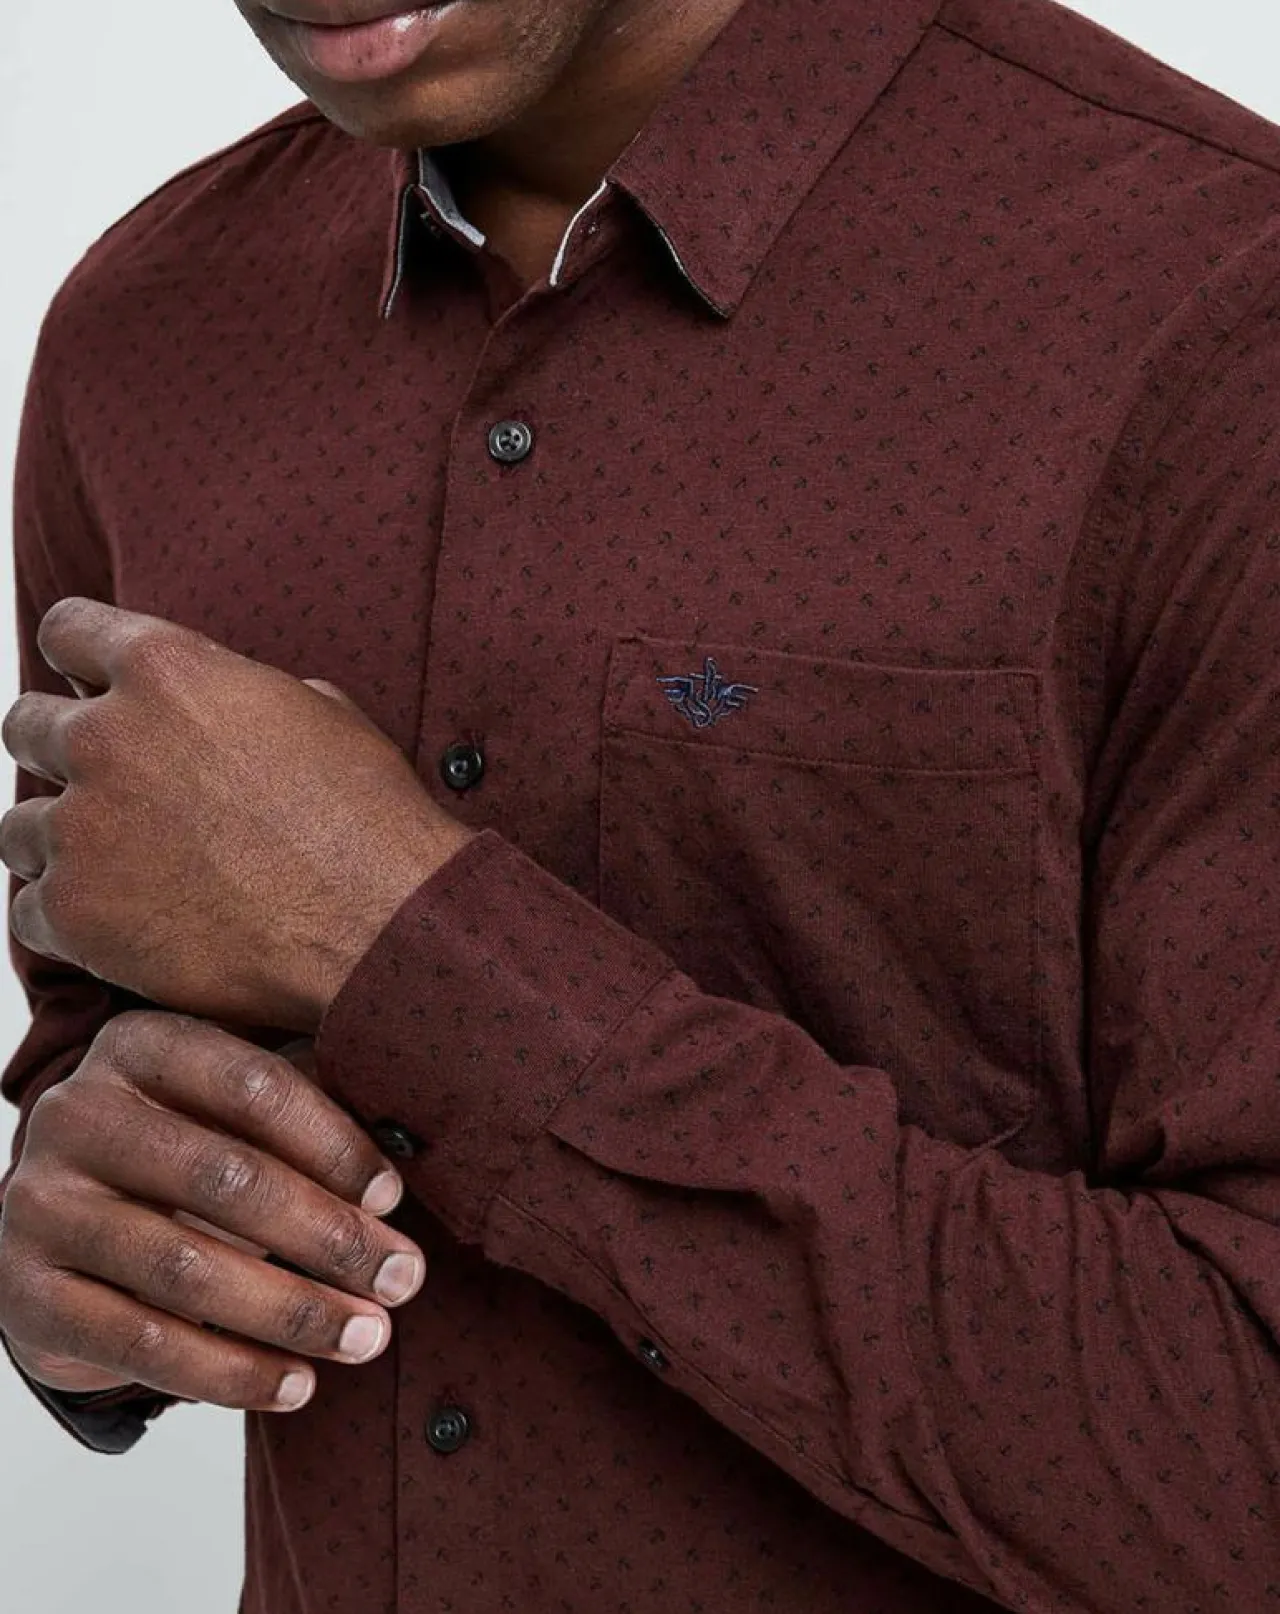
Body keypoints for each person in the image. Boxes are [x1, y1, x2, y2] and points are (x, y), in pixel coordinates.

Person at [1, 0, 1279, 1607]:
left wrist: (414, 950)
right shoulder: (145, 331)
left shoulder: (1215, 314)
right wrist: (78, 1251)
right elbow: (90, 1069)